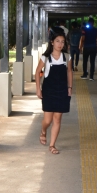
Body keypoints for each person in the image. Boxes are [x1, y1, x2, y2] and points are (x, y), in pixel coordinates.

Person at [36, 27, 73, 155]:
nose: (60, 44)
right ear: (52, 42)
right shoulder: (46, 57)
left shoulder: (67, 57)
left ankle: (52, 145)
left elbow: (69, 71)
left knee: (57, 119)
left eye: (62, 42)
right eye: (57, 41)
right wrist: (38, 89)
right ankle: (43, 131)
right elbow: (37, 72)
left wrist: (70, 88)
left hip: (62, 90)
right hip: (49, 90)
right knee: (47, 120)